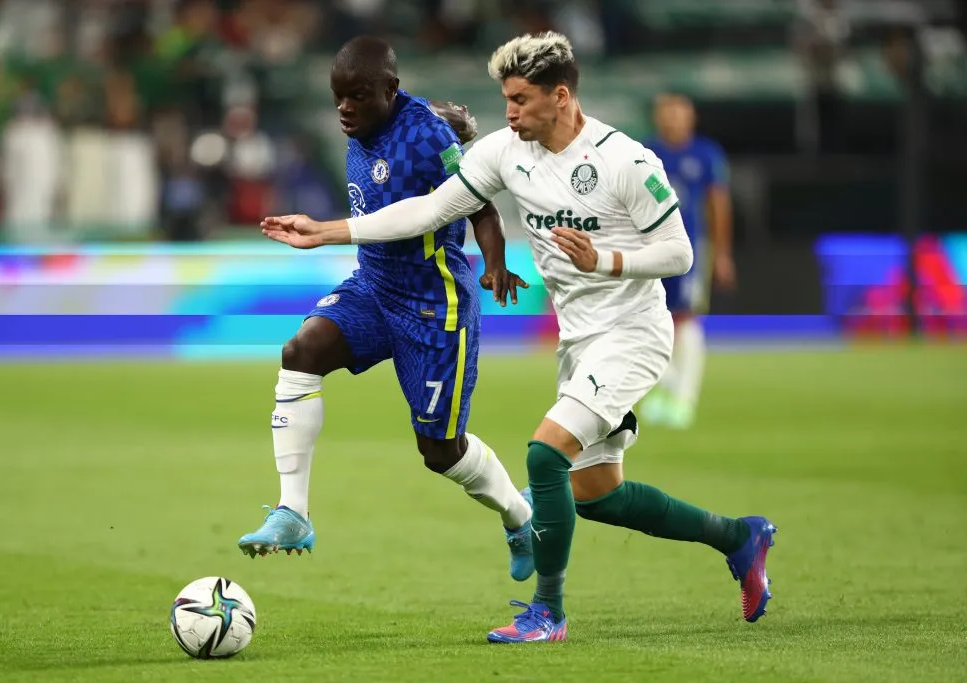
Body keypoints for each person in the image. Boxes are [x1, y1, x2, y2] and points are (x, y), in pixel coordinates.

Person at [259, 32, 777, 643]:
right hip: (580, 339)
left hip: (633, 333)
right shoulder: (506, 152)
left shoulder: (626, 161)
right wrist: (328, 230)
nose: (508, 112)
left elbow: (679, 253)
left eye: (521, 99)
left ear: (561, 97)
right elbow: (429, 211)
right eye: (505, 98)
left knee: (544, 454)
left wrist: (605, 261)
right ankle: (739, 537)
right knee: (597, 495)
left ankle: (547, 615)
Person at [238, 36, 537, 585]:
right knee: (299, 352)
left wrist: (494, 262)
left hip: (434, 305)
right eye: (338, 99)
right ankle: (293, 513)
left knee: (440, 451)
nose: (345, 109)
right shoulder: (371, 117)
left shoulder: (428, 138)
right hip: (374, 285)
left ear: (389, 91)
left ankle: (522, 519)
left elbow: (481, 206)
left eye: (356, 97)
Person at [643, 93, 736, 430]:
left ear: (691, 118)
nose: (673, 119)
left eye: (680, 113)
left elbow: (718, 203)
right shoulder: (644, 151)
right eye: (667, 112)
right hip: (646, 248)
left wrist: (722, 252)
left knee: (684, 318)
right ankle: (668, 387)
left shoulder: (706, 154)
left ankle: (684, 399)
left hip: (689, 248)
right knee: (644, 317)